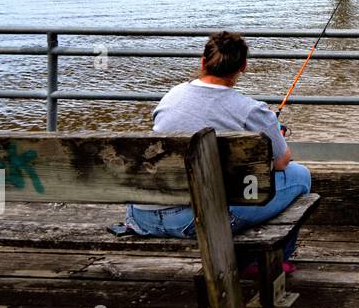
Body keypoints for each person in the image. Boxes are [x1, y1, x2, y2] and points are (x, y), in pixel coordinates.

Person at [125, 31, 311, 270]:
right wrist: (272, 131)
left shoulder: (170, 97)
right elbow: (282, 162)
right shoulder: (251, 110)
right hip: (196, 220)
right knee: (300, 176)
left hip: (142, 214)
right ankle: (265, 263)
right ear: (243, 67)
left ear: (203, 62)